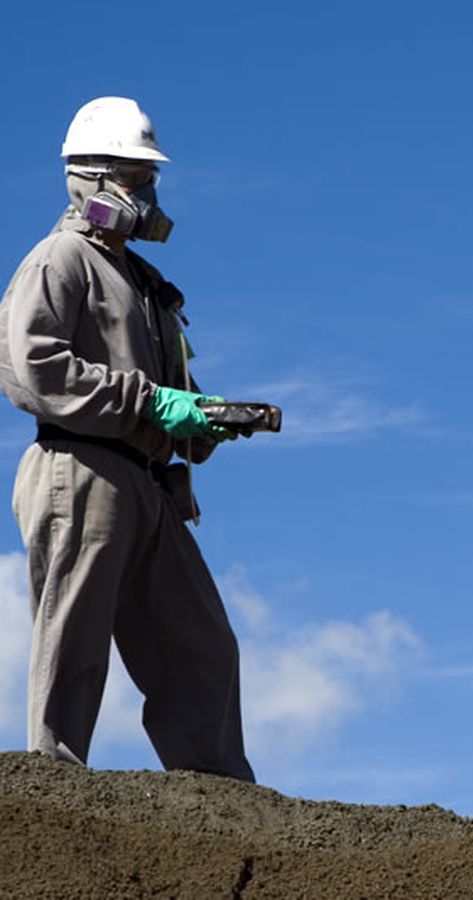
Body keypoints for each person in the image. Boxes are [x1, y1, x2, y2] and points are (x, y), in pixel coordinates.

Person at [0, 97, 255, 782]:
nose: (145, 194)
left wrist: (202, 418)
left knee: (202, 646)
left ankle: (220, 797)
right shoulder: (61, 259)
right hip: (80, 465)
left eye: (148, 179)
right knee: (75, 639)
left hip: (147, 481)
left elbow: (172, 390)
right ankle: (53, 785)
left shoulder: (145, 284)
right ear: (89, 176)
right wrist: (149, 402)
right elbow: (32, 369)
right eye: (133, 178)